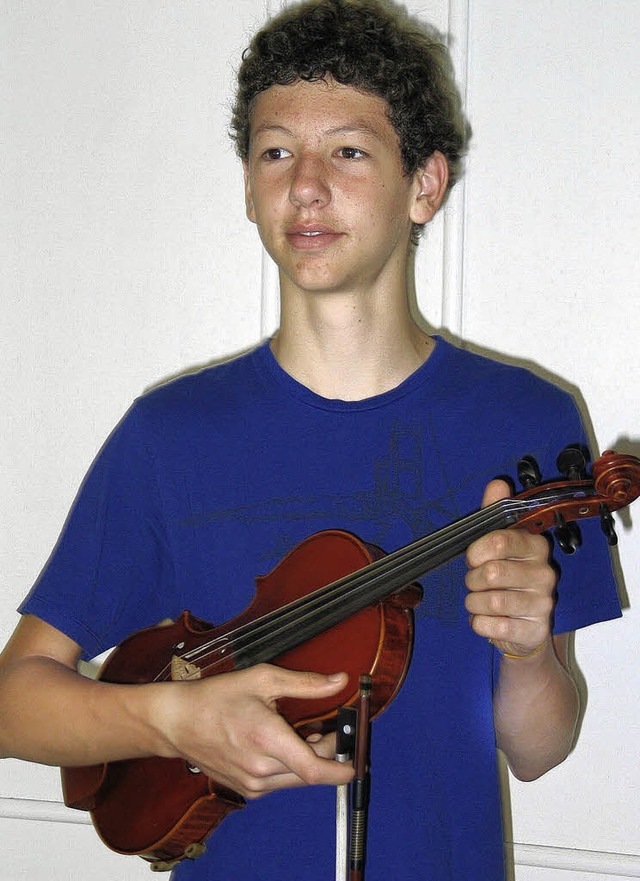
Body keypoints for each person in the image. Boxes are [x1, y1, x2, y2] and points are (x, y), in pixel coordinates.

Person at [0, 1, 622, 879]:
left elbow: (540, 747)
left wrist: (526, 652)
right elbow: (14, 700)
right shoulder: (170, 434)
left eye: (350, 150)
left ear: (425, 185)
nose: (305, 185)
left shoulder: (529, 423)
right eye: (276, 150)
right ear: (250, 186)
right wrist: (172, 721)